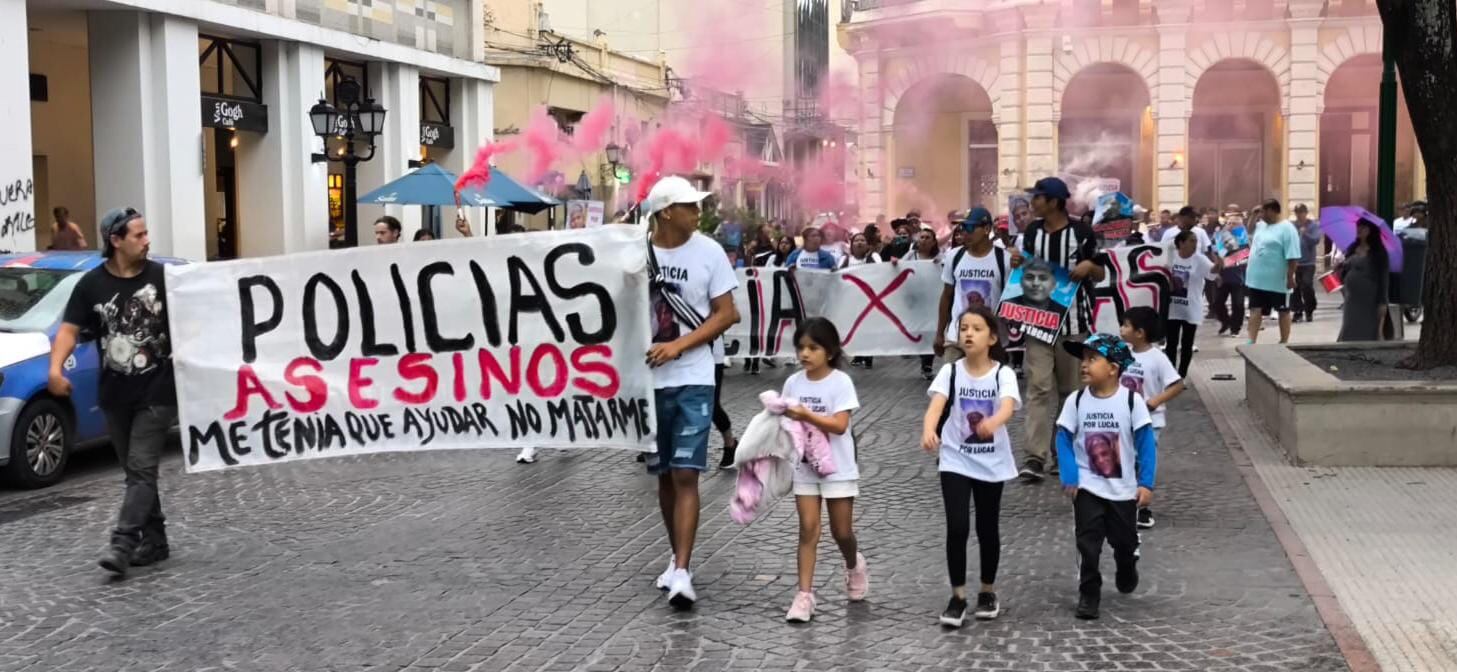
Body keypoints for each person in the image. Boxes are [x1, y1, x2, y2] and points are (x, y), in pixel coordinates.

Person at [48, 207, 176, 576]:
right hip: (116, 393)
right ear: (115, 241)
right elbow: (69, 331)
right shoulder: (90, 285)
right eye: (138, 235)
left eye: (146, 232)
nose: (147, 240)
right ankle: (156, 540)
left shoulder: (164, 278)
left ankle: (123, 543)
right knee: (136, 472)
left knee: (141, 467)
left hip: (159, 389)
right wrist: (55, 369)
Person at [642, 176, 740, 610]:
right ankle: (674, 556)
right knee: (664, 474)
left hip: (695, 376)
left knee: (686, 473)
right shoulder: (634, 252)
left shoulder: (709, 252)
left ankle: (682, 569)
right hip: (646, 381)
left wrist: (679, 346)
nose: (698, 212)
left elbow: (727, 314)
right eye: (689, 205)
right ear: (666, 212)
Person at [921, 305, 1021, 627]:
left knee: (987, 527)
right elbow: (936, 406)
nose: (968, 333)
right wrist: (928, 430)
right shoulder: (950, 371)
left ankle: (987, 590)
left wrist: (994, 421)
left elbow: (1008, 407)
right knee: (958, 527)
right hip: (955, 458)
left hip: (991, 462)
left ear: (992, 337)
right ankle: (958, 596)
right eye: (964, 327)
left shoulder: (1002, 373)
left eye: (976, 328)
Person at [1056, 334, 1157, 620]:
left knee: (1123, 540)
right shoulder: (1076, 401)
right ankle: (1089, 593)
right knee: (1088, 543)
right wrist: (1070, 474)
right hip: (1088, 486)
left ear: (1113, 368)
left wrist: (1146, 482)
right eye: (1083, 359)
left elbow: (1146, 443)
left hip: (1122, 489)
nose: (1084, 365)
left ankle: (1127, 563)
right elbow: (1063, 438)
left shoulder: (1130, 401)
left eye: (1092, 359)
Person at [1010, 177, 1104, 483]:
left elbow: (1102, 271)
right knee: (1038, 387)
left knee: (1070, 391)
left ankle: (1060, 451)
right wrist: (1017, 261)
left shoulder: (1081, 232)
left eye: (1037, 198)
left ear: (1053, 201)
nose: (1032, 203)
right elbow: (1025, 266)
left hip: (1074, 323)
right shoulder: (1033, 232)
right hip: (1038, 320)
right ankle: (1034, 457)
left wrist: (1089, 267)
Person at [781, 318, 867, 623]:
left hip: (839, 468)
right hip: (805, 468)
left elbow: (840, 425)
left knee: (841, 531)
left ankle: (853, 563)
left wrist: (806, 413)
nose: (805, 354)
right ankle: (804, 596)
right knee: (808, 529)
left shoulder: (840, 383)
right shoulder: (793, 383)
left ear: (829, 352)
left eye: (812, 348)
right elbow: (786, 420)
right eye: (801, 347)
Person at [1118, 307, 1184, 530]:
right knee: (1126, 460)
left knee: (1144, 461)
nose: (1121, 329)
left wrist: (1155, 401)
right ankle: (1126, 502)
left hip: (1149, 421)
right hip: (1124, 419)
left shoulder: (1157, 357)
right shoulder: (1122, 352)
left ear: (1140, 332)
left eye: (1126, 325)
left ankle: (1143, 507)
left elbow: (1177, 385)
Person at [935, 208, 1008, 380]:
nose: (964, 234)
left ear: (987, 229)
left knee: (990, 389)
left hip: (992, 340)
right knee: (950, 385)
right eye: (962, 229)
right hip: (957, 338)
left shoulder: (1003, 259)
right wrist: (940, 333)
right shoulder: (954, 256)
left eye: (970, 228)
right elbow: (947, 296)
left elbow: (1011, 300)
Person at [1165, 230, 1221, 377]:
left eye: (1196, 241)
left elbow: (1212, 273)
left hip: (1191, 308)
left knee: (1187, 344)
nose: (1195, 244)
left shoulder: (1199, 259)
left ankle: (1182, 375)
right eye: (1191, 241)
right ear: (1181, 243)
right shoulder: (1170, 256)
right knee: (1171, 344)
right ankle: (1171, 376)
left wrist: (1219, 263)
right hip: (1172, 308)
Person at [1246, 200, 1301, 344]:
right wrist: (1253, 214)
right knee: (1255, 310)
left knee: (1283, 311)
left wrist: (1290, 277)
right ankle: (1251, 340)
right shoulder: (1261, 225)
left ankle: (1284, 340)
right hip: (1257, 279)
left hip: (1278, 280)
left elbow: (1293, 256)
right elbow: (1249, 230)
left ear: (1271, 211)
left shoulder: (1287, 229)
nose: (1261, 215)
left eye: (1263, 212)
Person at [1337, 218, 1390, 342]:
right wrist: (1340, 268)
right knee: (1349, 324)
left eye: (1364, 228)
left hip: (1369, 297)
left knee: (1367, 326)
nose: (1359, 230)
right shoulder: (1352, 248)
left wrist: (1383, 301)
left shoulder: (1378, 252)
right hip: (1352, 297)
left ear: (1371, 231)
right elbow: (1345, 270)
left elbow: (1383, 278)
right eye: (1358, 227)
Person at [1291, 204, 1320, 323]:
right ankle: (1298, 311)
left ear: (1306, 213)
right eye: (1297, 212)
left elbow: (1316, 240)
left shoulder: (1312, 225)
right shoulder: (1292, 225)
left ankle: (1309, 309)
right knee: (1295, 287)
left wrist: (1305, 233)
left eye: (1302, 212)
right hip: (1294, 261)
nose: (1300, 214)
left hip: (1308, 262)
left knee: (1307, 285)